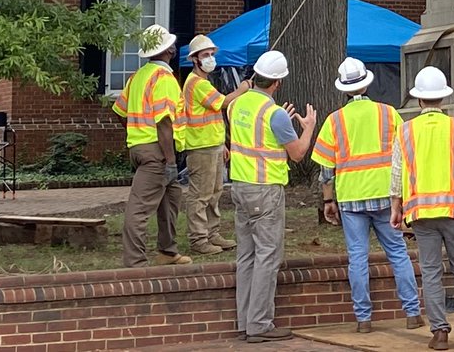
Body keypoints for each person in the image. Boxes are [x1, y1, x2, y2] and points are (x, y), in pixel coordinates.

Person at [312, 58, 422, 333]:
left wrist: (328, 201)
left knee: (357, 258)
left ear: (344, 89)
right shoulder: (388, 114)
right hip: (386, 195)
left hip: (351, 198)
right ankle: (412, 313)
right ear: (368, 82)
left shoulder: (334, 120)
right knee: (398, 253)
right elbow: (404, 157)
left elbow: (327, 169)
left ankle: (363, 320)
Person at [390, 67, 454, 351]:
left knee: (431, 272)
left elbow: (397, 172)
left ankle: (440, 333)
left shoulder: (405, 130)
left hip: (421, 214)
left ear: (419, 100)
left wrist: (396, 206)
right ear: (442, 99)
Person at [229, 49, 317, 344]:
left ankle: (245, 322)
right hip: (265, 190)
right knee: (268, 256)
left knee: (246, 256)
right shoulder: (274, 114)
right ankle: (260, 324)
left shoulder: (237, 105)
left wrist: (283, 125)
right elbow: (298, 153)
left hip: (240, 187)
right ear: (277, 83)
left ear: (255, 77)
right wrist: (308, 128)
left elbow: (256, 137)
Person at [112, 24, 192, 267]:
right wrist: (169, 161)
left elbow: (118, 110)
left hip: (141, 147)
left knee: (171, 199)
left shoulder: (138, 76)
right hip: (158, 152)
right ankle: (135, 262)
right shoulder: (164, 78)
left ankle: (167, 251)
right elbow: (164, 122)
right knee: (140, 208)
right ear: (167, 49)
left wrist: (134, 130)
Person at [181, 34, 251, 255]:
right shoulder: (196, 83)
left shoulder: (203, 82)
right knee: (200, 194)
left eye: (212, 54)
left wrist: (222, 145)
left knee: (214, 192)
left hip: (212, 145)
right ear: (194, 59)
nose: (210, 58)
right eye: (205, 55)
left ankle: (212, 233)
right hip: (200, 146)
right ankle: (199, 239)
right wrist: (242, 90)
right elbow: (221, 103)